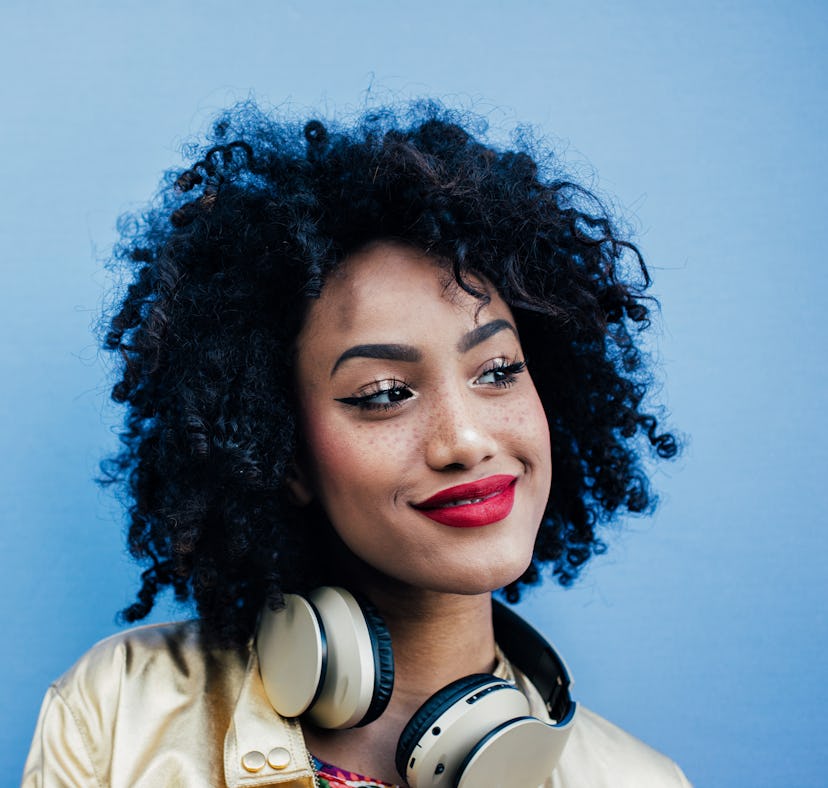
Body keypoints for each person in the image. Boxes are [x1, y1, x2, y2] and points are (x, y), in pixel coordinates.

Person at [23, 100, 690, 787]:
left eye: (497, 372)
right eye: (383, 394)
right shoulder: (118, 712)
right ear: (281, 451)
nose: (464, 439)